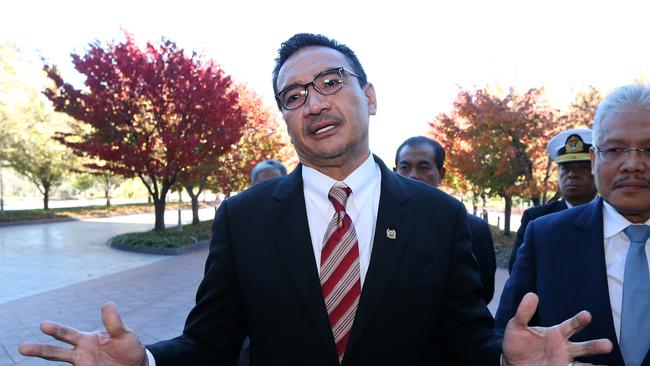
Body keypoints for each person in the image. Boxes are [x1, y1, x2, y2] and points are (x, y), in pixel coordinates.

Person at [20, 33, 612, 366]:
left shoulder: (438, 215)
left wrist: (507, 359)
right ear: (285, 117)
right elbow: (210, 341)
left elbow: (464, 337)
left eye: (331, 82)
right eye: (294, 94)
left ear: (369, 95)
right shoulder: (244, 218)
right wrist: (145, 361)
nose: (314, 102)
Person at [496, 84, 650, 365]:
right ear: (594, 160)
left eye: (649, 149)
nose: (633, 164)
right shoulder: (545, 239)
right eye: (615, 149)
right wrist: (509, 361)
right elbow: (503, 336)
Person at [395, 135, 496, 303]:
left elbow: (483, 293)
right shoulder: (379, 222)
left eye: (423, 167)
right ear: (394, 172)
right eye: (404, 167)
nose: (413, 176)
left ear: (440, 174)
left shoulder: (473, 228)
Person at [508, 128, 598, 272]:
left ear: (596, 169)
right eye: (565, 168)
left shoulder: (614, 215)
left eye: (583, 168)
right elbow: (518, 271)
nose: (572, 175)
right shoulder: (536, 219)